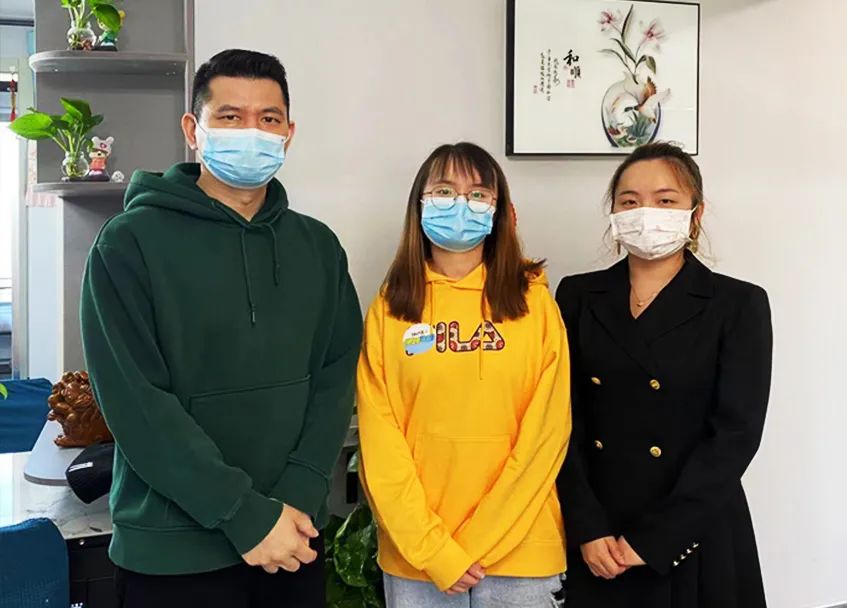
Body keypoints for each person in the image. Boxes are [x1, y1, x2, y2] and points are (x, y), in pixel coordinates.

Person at [80, 49, 363, 608]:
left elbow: (334, 378)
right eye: (230, 117)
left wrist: (298, 495)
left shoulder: (318, 247)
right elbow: (137, 404)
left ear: (288, 134)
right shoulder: (128, 244)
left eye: (268, 118)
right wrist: (245, 515)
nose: (251, 132)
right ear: (193, 129)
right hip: (173, 551)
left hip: (292, 537)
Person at [555, 142, 772, 608]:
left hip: (693, 531)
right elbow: (559, 420)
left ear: (696, 213)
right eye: (630, 201)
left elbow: (735, 435)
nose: (646, 212)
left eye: (665, 200)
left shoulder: (737, 304)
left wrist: (656, 539)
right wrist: (586, 526)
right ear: (614, 214)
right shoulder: (577, 296)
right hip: (599, 537)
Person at [357, 142, 572, 607]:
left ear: (500, 211)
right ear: (419, 205)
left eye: (478, 194)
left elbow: (547, 434)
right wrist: (434, 549)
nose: (460, 203)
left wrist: (473, 543)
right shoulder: (390, 309)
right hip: (418, 559)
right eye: (443, 190)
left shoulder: (534, 304)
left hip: (522, 551)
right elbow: (380, 442)